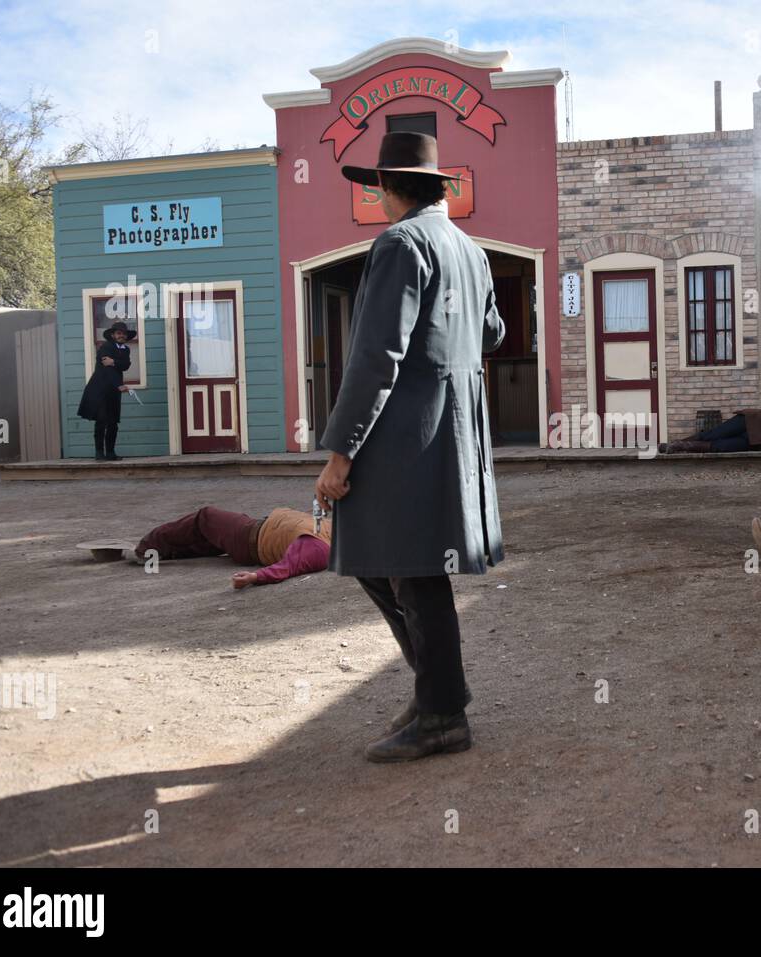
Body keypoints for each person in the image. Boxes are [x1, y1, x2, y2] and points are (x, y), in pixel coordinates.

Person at [314, 131, 504, 764]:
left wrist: (340, 452)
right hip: (454, 433)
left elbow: (377, 355)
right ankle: (437, 693)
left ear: (387, 189)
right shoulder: (470, 251)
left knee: (411, 569)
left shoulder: (400, 243)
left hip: (405, 437)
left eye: (375, 187)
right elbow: (493, 332)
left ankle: (443, 714)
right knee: (388, 561)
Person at [132, 506, 333, 587]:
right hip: (255, 529)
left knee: (206, 517)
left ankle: (145, 550)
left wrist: (253, 577)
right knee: (209, 539)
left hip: (248, 539)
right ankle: (168, 553)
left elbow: (287, 567)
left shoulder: (319, 549)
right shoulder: (334, 530)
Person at [77, 320, 135, 460]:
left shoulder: (126, 349)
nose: (122, 335)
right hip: (100, 388)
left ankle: (110, 452)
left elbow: (125, 365)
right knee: (102, 420)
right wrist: (118, 384)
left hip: (114, 391)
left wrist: (114, 362)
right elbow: (106, 367)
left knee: (113, 422)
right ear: (113, 335)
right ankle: (99, 452)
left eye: (124, 334)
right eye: (119, 333)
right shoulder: (105, 347)